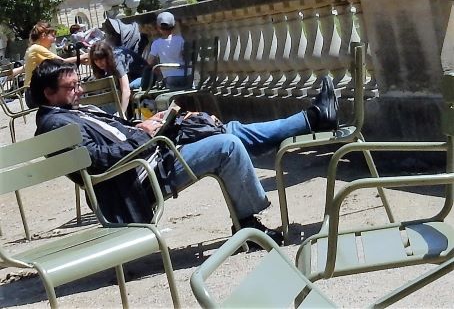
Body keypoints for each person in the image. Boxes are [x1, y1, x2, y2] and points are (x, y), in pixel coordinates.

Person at [31, 59, 338, 245]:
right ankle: (247, 222)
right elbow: (100, 161)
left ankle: (312, 118)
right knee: (227, 145)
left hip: (150, 158)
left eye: (78, 84)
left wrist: (150, 123)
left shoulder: (67, 112)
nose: (80, 90)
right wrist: (144, 134)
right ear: (48, 93)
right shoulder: (55, 126)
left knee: (228, 131)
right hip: (140, 179)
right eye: (72, 87)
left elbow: (116, 136)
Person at [23, 21, 88, 108]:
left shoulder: (33, 48)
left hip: (31, 93)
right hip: (34, 93)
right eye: (53, 36)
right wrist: (83, 56)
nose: (54, 40)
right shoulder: (37, 49)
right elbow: (61, 63)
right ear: (43, 35)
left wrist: (80, 59)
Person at [89, 40, 147, 115]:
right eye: (96, 60)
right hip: (129, 76)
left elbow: (126, 90)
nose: (99, 63)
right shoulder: (100, 65)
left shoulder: (117, 61)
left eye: (101, 59)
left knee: (128, 88)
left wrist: (121, 113)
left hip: (144, 76)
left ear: (107, 57)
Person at [144, 11, 187, 90]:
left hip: (169, 77)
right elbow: (185, 55)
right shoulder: (180, 40)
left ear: (158, 28)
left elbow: (149, 61)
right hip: (185, 75)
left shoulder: (156, 43)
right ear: (173, 26)